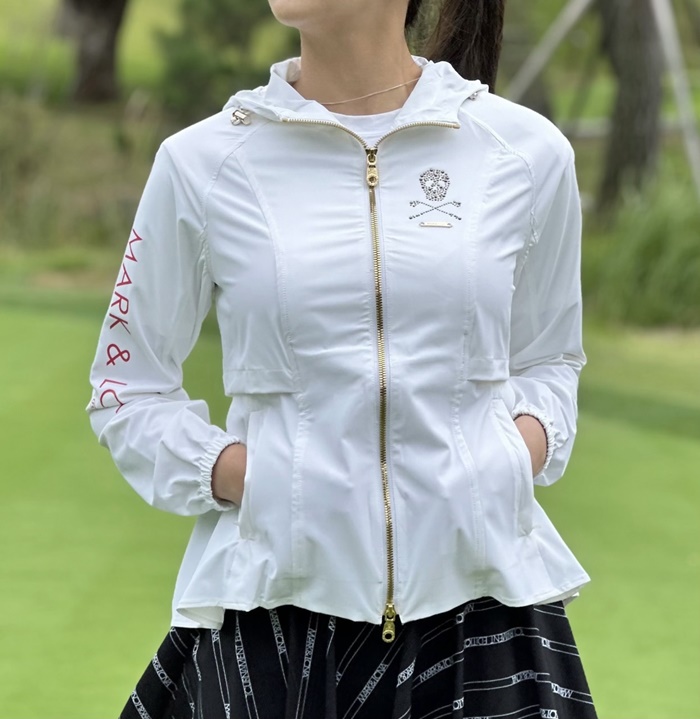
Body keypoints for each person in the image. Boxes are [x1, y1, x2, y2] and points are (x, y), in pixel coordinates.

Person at [87, 0, 599, 716]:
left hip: (482, 609)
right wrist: (256, 478)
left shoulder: (524, 151)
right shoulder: (202, 161)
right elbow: (125, 387)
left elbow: (549, 358)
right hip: (273, 619)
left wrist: (509, 456)